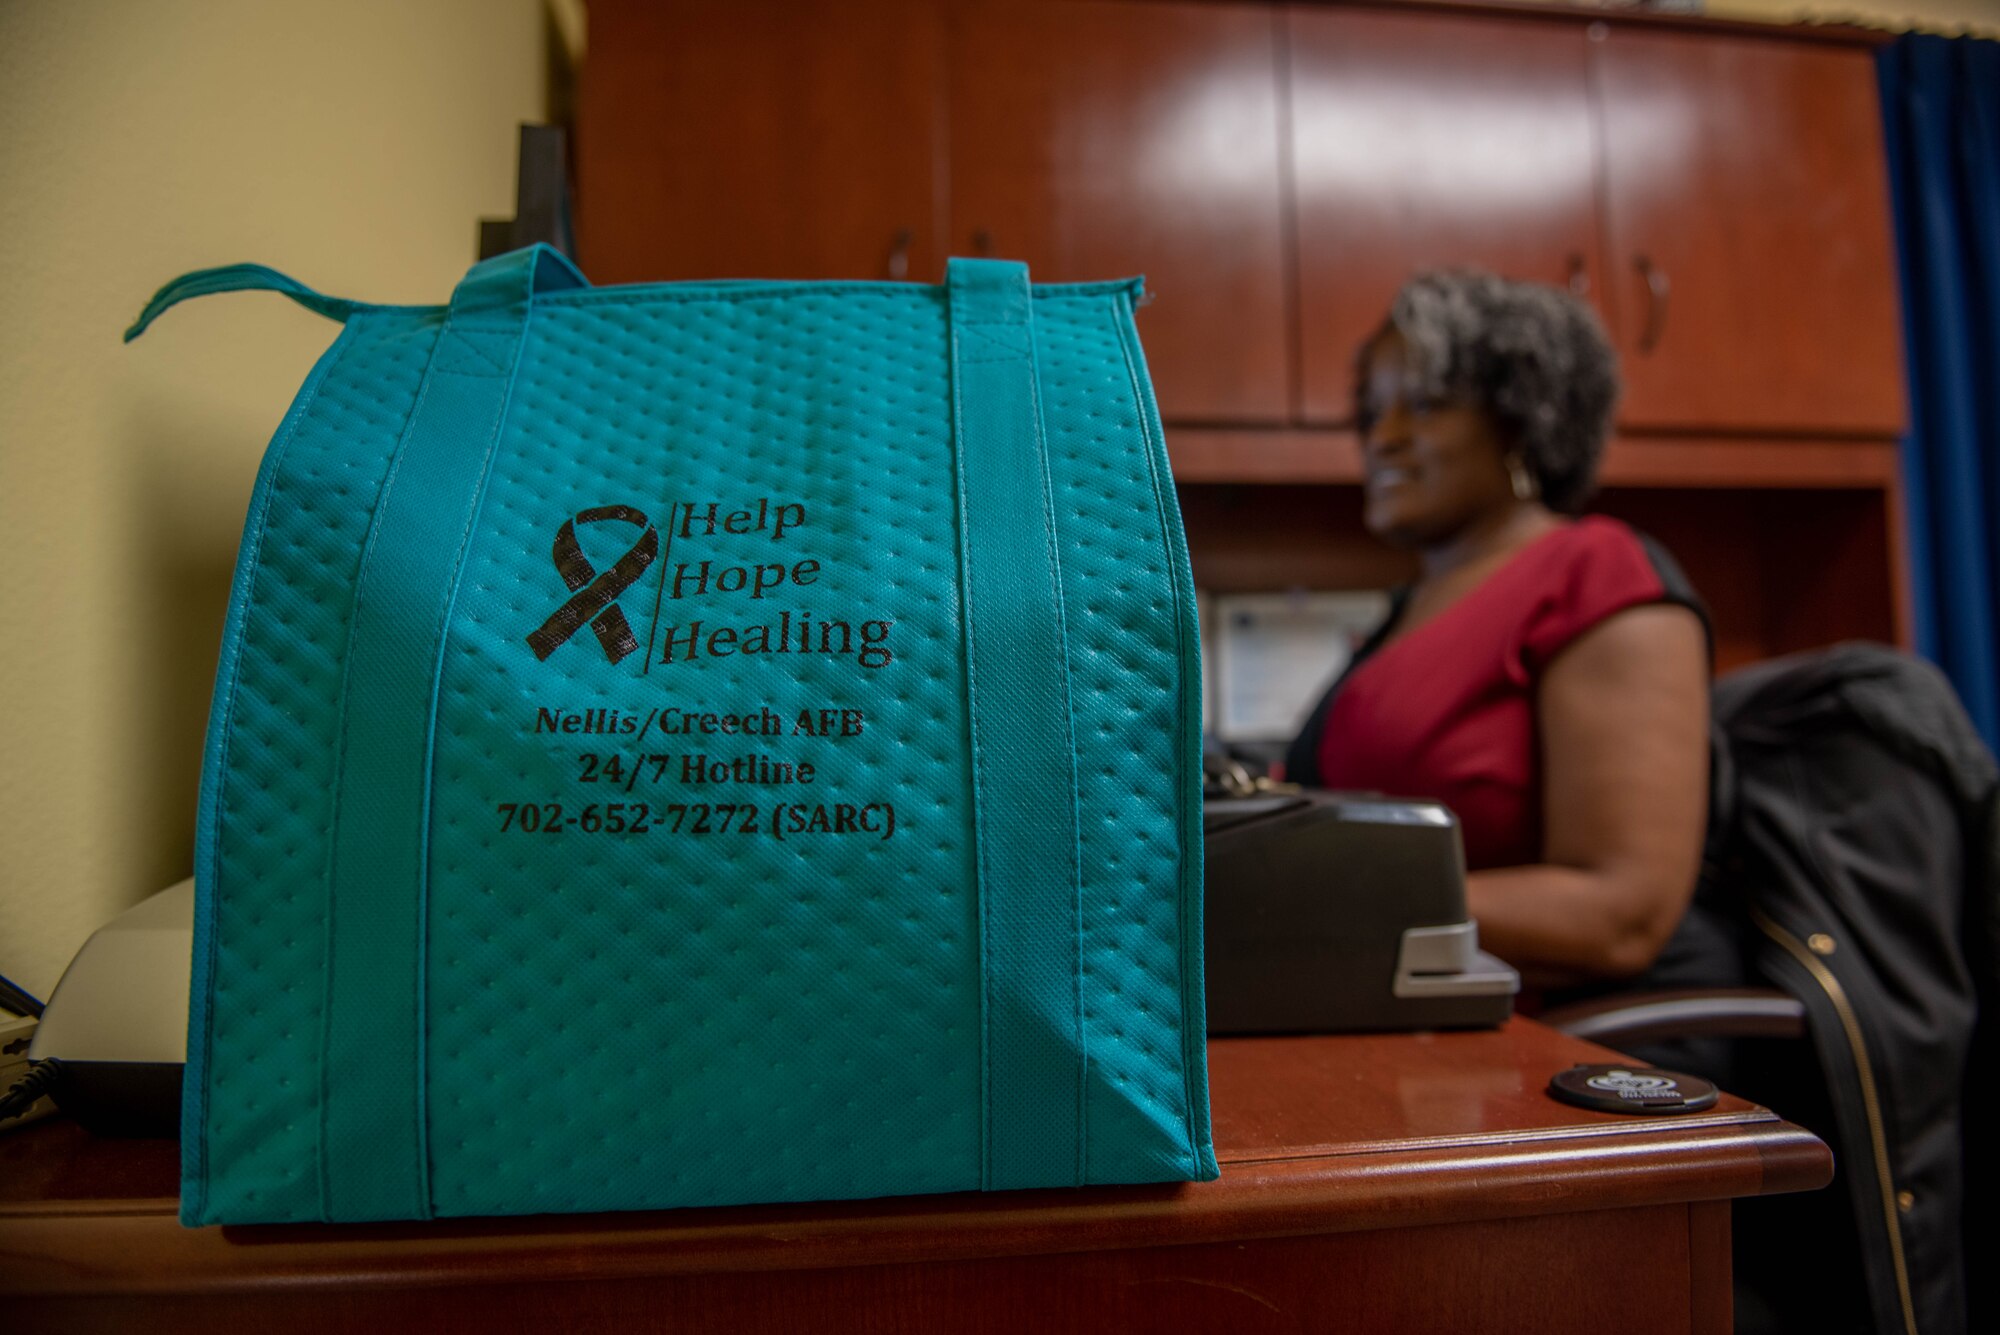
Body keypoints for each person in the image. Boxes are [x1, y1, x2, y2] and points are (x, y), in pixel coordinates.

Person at [1284, 270, 1710, 990]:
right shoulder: (1412, 605)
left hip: (1572, 1046)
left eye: (1423, 405)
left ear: (1522, 417)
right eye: (1371, 414)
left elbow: (1624, 912)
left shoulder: (1595, 571)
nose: (1381, 441)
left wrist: (1327, 900)